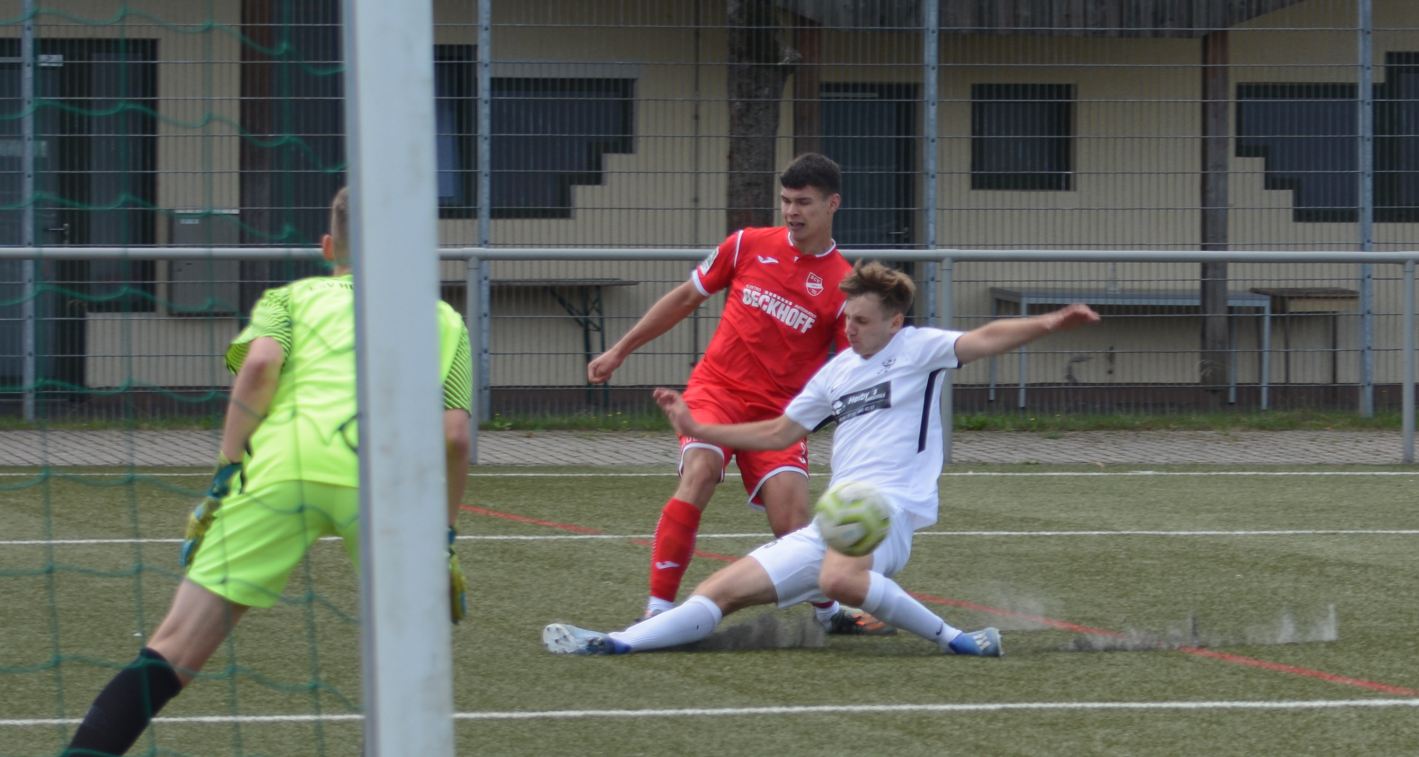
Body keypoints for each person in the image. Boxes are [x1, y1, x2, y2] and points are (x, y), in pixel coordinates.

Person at [63, 189, 474, 756]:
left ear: (327, 247)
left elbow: (259, 366)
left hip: (284, 467)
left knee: (176, 645)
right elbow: (454, 437)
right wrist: (442, 534)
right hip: (386, 484)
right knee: (409, 662)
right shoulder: (443, 318)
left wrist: (226, 473)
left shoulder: (291, 299)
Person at [543, 261, 1100, 656]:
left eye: (862, 321)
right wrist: (697, 427)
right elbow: (779, 431)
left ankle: (960, 640)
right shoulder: (836, 372)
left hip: (888, 510)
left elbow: (988, 336)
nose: (849, 329)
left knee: (839, 577)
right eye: (847, 318)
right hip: (836, 521)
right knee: (718, 592)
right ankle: (615, 642)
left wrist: (1049, 323)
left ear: (894, 323)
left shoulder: (919, 349)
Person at [587, 153, 887, 633]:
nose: (791, 212)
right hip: (716, 392)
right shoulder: (747, 243)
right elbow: (686, 296)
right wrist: (620, 350)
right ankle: (657, 611)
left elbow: (850, 367)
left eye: (803, 202)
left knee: (792, 522)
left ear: (833, 204)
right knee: (701, 472)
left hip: (778, 416)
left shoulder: (844, 286)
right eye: (786, 201)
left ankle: (829, 614)